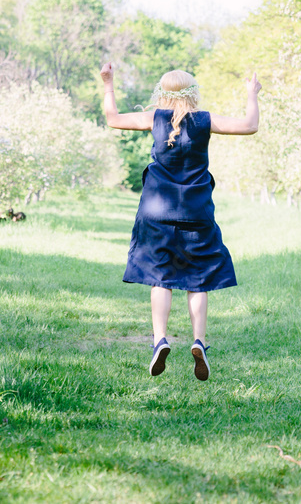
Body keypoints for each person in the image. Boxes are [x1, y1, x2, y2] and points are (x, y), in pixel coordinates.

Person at [100, 63, 261, 381]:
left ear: (161, 93)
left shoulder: (153, 118)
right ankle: (199, 341)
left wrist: (108, 84)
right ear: (194, 94)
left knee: (161, 279)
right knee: (197, 279)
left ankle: (160, 339)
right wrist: (251, 94)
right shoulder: (205, 120)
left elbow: (112, 119)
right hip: (196, 211)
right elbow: (249, 125)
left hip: (156, 210)